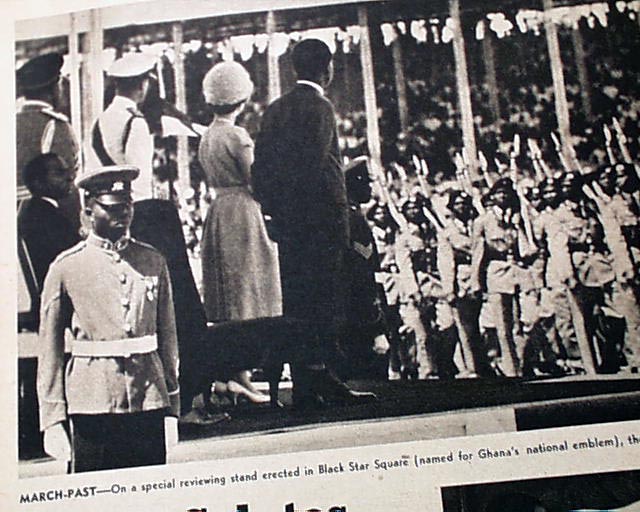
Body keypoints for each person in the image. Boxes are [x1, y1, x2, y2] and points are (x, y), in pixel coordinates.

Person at [86, 53, 214, 423]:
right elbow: (138, 183)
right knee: (179, 307)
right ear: (143, 84)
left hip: (111, 219)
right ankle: (185, 400)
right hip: (143, 217)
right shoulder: (136, 123)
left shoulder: (101, 122)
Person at [253, 38, 375, 409]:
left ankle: (309, 382)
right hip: (321, 221)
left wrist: (277, 210)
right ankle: (323, 379)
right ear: (328, 69)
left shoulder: (275, 109)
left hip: (290, 225)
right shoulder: (320, 107)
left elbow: (260, 169)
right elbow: (311, 165)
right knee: (324, 302)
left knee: (298, 303)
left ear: (294, 69)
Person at [37, 165, 180, 472]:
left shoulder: (153, 261)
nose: (124, 214)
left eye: (127, 206)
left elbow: (168, 338)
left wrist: (172, 406)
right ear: (89, 209)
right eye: (112, 208)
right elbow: (49, 350)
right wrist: (52, 419)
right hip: (92, 403)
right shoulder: (66, 268)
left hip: (148, 399)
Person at [198, 60, 280, 404]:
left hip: (219, 211)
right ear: (241, 99)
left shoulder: (208, 135)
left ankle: (236, 374)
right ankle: (243, 374)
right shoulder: (236, 135)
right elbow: (256, 179)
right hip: (244, 212)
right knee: (250, 293)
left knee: (230, 295)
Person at [17, 153, 80, 457]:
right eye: (58, 173)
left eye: (67, 170)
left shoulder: (32, 213)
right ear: (37, 183)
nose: (68, 176)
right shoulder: (47, 218)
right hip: (59, 307)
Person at [16, 52, 81, 232]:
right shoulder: (56, 125)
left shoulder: (11, 122)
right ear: (54, 88)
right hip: (44, 220)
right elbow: (66, 185)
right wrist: (76, 228)